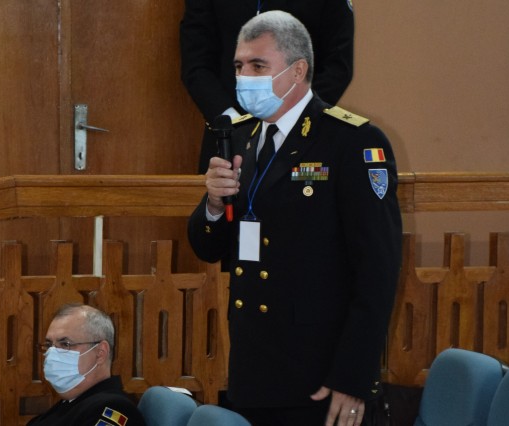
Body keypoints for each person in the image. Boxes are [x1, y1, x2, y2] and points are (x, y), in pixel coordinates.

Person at [187, 11, 402, 426]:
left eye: (258, 66)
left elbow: (377, 271)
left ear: (298, 70)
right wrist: (213, 203)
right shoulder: (241, 137)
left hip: (320, 374)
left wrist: (353, 377)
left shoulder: (350, 141)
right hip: (253, 367)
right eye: (238, 66)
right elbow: (207, 247)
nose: (243, 77)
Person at [180, 0, 354, 173]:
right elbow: (196, 64)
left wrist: (294, 116)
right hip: (227, 139)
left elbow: (337, 66)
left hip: (302, 136)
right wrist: (233, 124)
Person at [27, 303, 145, 426]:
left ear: (100, 353)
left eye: (65, 344)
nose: (52, 354)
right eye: (48, 345)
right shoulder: (69, 404)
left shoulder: (112, 408)